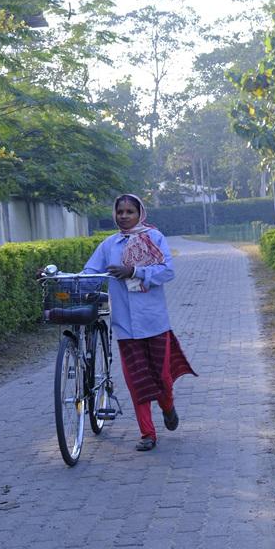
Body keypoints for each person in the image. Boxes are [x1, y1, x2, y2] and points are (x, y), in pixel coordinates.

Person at [83, 193, 197, 451]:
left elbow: (168, 270)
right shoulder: (109, 245)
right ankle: (147, 433)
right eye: (120, 211)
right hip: (125, 325)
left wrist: (135, 271)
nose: (124, 216)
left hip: (154, 322)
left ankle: (168, 406)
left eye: (129, 211)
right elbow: (90, 273)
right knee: (136, 380)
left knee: (162, 376)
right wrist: (57, 276)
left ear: (140, 214)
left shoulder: (154, 238)